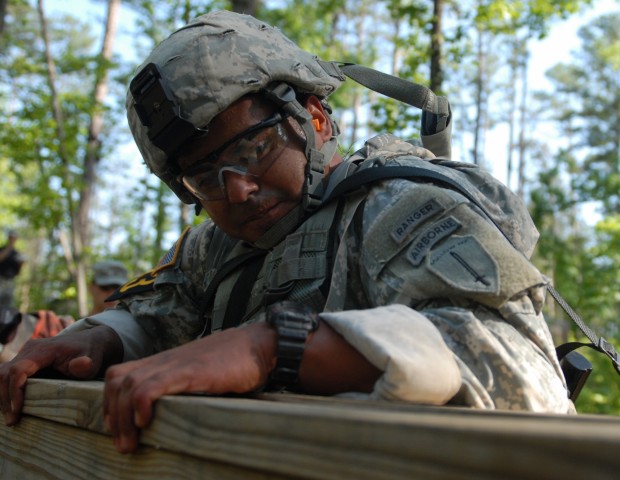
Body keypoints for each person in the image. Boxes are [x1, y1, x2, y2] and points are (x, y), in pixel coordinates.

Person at [0, 11, 574, 454]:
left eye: (255, 147)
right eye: (205, 176)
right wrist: (98, 339)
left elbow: (523, 374)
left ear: (315, 118)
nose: (238, 189)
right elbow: (157, 311)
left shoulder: (396, 207)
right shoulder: (218, 246)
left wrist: (274, 346)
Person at [0, 260, 128, 362]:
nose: (112, 293)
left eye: (118, 288)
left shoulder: (129, 333)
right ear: (92, 287)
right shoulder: (61, 324)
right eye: (105, 287)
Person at [0, 230, 25, 308]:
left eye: (14, 238)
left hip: (10, 281)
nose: (12, 239)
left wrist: (21, 264)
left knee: (6, 305)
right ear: (8, 238)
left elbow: (18, 273)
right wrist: (9, 247)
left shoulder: (16, 254)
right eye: (11, 237)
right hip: (1, 279)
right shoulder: (2, 249)